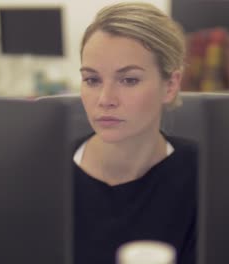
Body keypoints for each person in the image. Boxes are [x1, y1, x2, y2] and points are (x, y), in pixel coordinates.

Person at [73, 2, 197, 264]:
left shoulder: (207, 175)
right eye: (92, 80)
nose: (105, 99)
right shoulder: (41, 174)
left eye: (129, 80)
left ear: (170, 85)